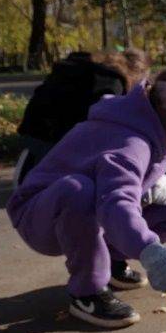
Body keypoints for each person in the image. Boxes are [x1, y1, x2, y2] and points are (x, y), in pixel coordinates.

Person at [7, 60, 166, 328]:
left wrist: (152, 182)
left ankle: (111, 261)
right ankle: (87, 291)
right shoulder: (130, 141)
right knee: (77, 191)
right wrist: (150, 251)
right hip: (38, 215)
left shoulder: (155, 129)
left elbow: (120, 189)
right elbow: (116, 202)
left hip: (91, 207)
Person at [13, 49, 152, 291]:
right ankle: (93, 280)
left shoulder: (76, 71)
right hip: (56, 158)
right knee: (94, 195)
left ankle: (110, 261)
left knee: (92, 192)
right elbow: (101, 131)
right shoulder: (111, 85)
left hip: (32, 151)